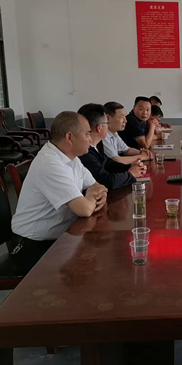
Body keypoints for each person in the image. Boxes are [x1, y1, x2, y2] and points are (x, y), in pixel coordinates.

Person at [10, 111, 108, 274]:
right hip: (32, 245)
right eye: (87, 134)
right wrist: (91, 196)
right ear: (70, 137)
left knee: (101, 256)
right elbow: (84, 209)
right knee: (90, 271)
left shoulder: (72, 157)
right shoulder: (49, 163)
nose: (91, 139)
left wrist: (97, 193)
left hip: (62, 236)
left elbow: (97, 186)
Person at [78, 103, 147, 190]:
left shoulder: (97, 145)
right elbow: (108, 181)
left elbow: (109, 164)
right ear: (99, 128)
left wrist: (131, 166)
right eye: (107, 123)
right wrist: (131, 174)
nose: (108, 126)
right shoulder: (85, 152)